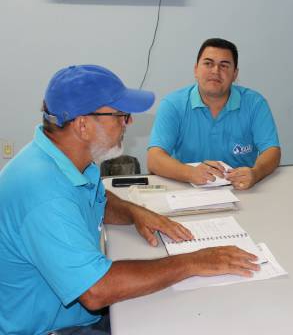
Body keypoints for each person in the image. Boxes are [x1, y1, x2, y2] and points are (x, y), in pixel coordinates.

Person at [0, 65, 260, 335]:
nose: (129, 122)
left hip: (74, 312)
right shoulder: (44, 194)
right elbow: (97, 290)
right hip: (49, 329)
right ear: (83, 125)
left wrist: (135, 213)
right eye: (121, 115)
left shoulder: (67, 158)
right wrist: (194, 262)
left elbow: (95, 199)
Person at [147, 38, 281, 190]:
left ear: (235, 74)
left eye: (224, 65)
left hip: (242, 189)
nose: (215, 71)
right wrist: (190, 173)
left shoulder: (255, 103)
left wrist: (256, 173)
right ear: (196, 69)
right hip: (187, 189)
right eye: (208, 63)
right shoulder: (173, 105)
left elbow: (272, 151)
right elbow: (154, 158)